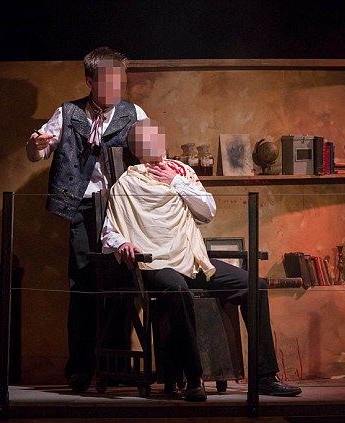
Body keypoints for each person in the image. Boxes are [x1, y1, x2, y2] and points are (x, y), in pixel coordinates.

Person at [101, 119, 302, 402]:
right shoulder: (126, 183)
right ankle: (193, 378)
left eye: (158, 136)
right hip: (156, 263)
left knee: (254, 285)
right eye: (146, 139)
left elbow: (207, 212)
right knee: (176, 288)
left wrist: (176, 182)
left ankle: (265, 376)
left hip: (192, 258)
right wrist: (122, 243)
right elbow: (110, 230)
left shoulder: (183, 173)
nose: (155, 142)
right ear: (136, 148)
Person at [26, 47, 148, 392]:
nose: (116, 87)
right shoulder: (68, 112)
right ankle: (80, 369)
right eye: (108, 81)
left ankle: (116, 367)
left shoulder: (134, 113)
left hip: (123, 209)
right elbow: (37, 152)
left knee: (122, 285)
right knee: (82, 285)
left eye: (119, 80)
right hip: (81, 209)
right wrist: (36, 144)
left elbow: (153, 154)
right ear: (90, 81)